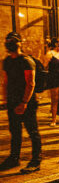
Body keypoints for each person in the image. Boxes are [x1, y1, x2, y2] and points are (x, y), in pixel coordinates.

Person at [0, 32, 42, 173]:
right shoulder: (7, 61)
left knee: (32, 131)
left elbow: (31, 83)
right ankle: (14, 158)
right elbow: (5, 82)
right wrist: (5, 99)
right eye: (7, 41)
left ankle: (36, 161)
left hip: (27, 102)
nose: (9, 43)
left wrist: (24, 102)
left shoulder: (26, 60)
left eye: (11, 41)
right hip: (13, 101)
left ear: (19, 43)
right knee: (15, 131)